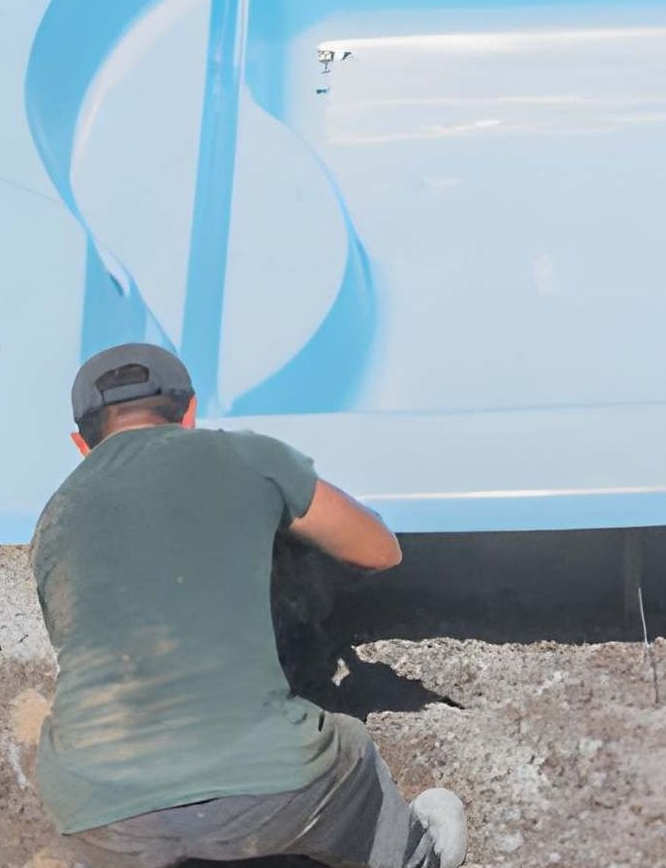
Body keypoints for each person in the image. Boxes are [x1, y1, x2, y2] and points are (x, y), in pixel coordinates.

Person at [30, 342, 466, 867]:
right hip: (269, 788)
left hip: (95, 810)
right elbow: (378, 550)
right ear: (188, 414)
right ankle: (417, 856)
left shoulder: (52, 520)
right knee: (349, 750)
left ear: (82, 443)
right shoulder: (244, 456)